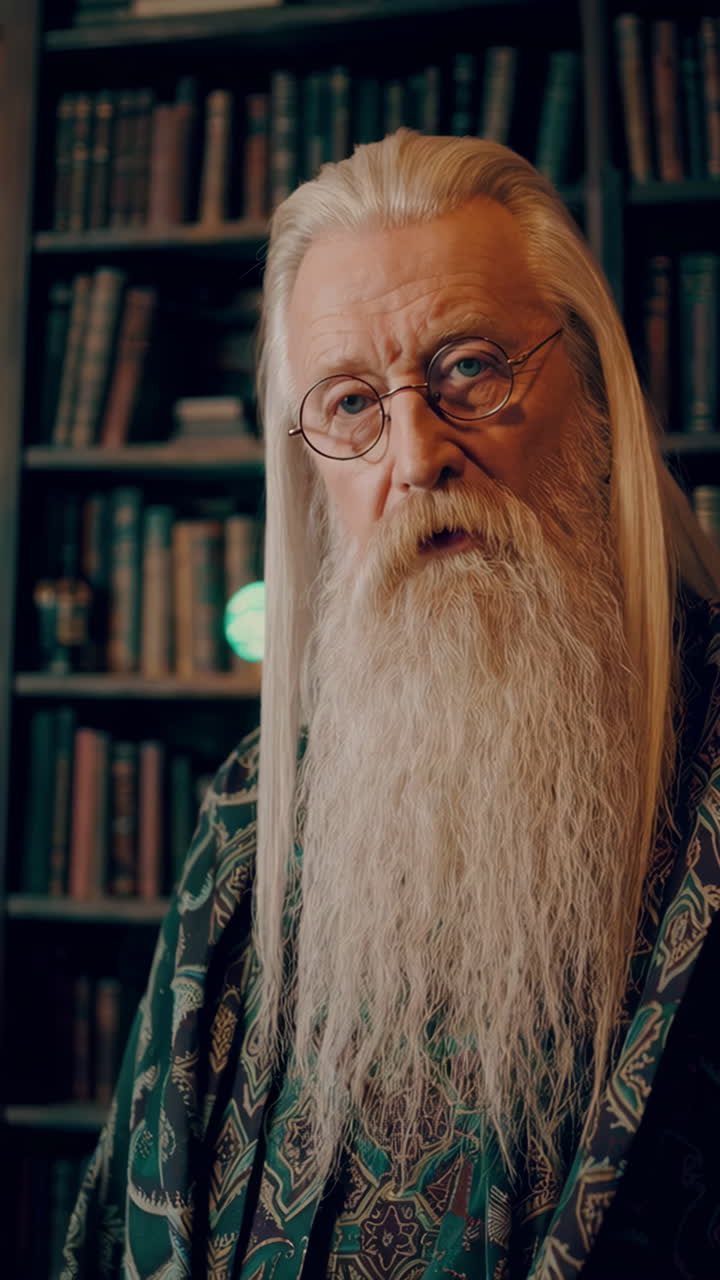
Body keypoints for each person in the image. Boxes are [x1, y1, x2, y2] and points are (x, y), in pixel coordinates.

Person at [63, 130, 720, 1280]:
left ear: (596, 395)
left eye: (471, 366)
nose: (417, 453)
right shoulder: (252, 806)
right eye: (353, 402)